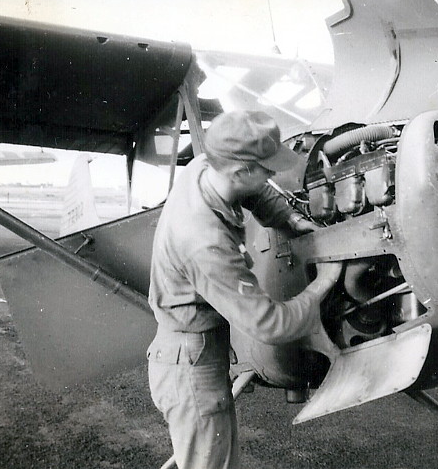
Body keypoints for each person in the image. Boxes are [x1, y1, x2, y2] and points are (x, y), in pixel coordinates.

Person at [146, 110, 342, 469]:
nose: (272, 175)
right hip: (191, 365)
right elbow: (270, 325)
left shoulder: (206, 167)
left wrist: (292, 220)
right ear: (240, 171)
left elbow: (256, 193)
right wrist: (324, 282)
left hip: (195, 352)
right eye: (266, 169)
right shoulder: (203, 241)